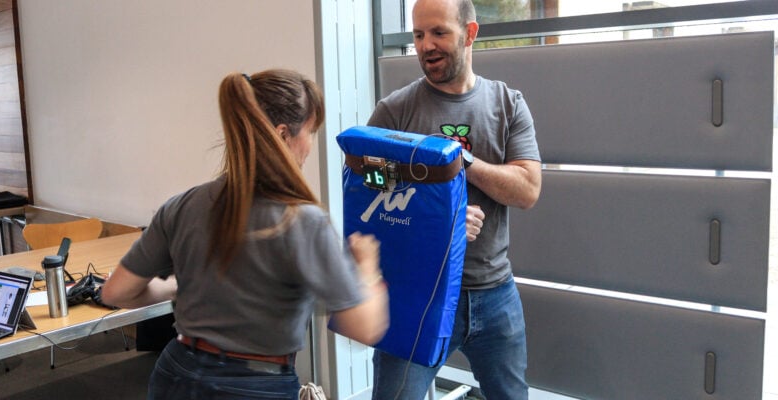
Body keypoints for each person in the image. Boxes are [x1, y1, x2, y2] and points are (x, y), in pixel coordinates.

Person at [101, 69, 389, 400]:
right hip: (254, 386)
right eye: (311, 132)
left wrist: (182, 285)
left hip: (176, 375)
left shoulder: (181, 206)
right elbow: (363, 327)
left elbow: (116, 292)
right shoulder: (303, 221)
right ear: (283, 135)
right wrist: (367, 269)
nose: (310, 146)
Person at [368, 0, 541, 399]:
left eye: (438, 32)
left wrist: (461, 160)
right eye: (418, 34)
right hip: (416, 296)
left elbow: (528, 190)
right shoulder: (393, 113)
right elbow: (369, 202)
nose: (425, 45)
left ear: (470, 33)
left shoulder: (507, 104)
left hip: (494, 294)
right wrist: (438, 220)